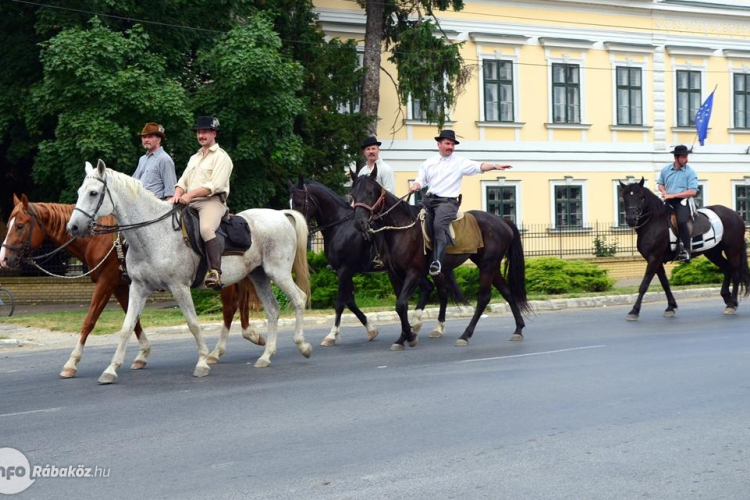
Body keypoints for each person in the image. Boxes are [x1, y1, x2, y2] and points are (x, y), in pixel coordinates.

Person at [409, 129, 512, 276]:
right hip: (428, 201)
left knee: (439, 224)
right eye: (447, 143)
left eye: (452, 144)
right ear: (439, 144)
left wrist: (494, 166)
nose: (450, 147)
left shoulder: (460, 162)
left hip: (447, 203)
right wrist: (416, 185)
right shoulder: (428, 163)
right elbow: (421, 179)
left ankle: (437, 262)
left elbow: (479, 166)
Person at [170, 116, 233, 290]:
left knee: (206, 229)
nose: (201, 135)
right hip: (188, 201)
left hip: (211, 202)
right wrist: (177, 194)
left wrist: (190, 195)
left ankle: (215, 271)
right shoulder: (194, 157)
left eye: (205, 131)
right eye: (199, 132)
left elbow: (215, 185)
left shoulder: (222, 158)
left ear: (214, 133)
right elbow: (183, 180)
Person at [358, 136, 395, 269]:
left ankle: (379, 257)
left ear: (378, 150)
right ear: (364, 152)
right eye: (368, 149)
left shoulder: (385, 169)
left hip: (382, 210)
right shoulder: (362, 171)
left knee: (375, 226)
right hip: (365, 209)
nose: (371, 151)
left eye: (373, 148)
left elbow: (389, 193)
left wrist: (375, 208)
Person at [657, 144, 698, 262]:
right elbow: (660, 184)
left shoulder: (690, 172)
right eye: (684, 157)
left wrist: (673, 195)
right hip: (668, 201)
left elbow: (693, 191)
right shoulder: (665, 170)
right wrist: (664, 191)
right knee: (657, 219)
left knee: (681, 221)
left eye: (687, 156)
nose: (687, 159)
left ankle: (686, 250)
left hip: (683, 202)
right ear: (676, 158)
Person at [132, 122, 177, 200]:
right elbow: (133, 182)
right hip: (140, 204)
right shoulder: (142, 159)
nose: (146, 140)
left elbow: (170, 191)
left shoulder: (164, 159)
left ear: (158, 140)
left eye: (150, 137)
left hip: (156, 206)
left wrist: (170, 210)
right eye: (144, 137)